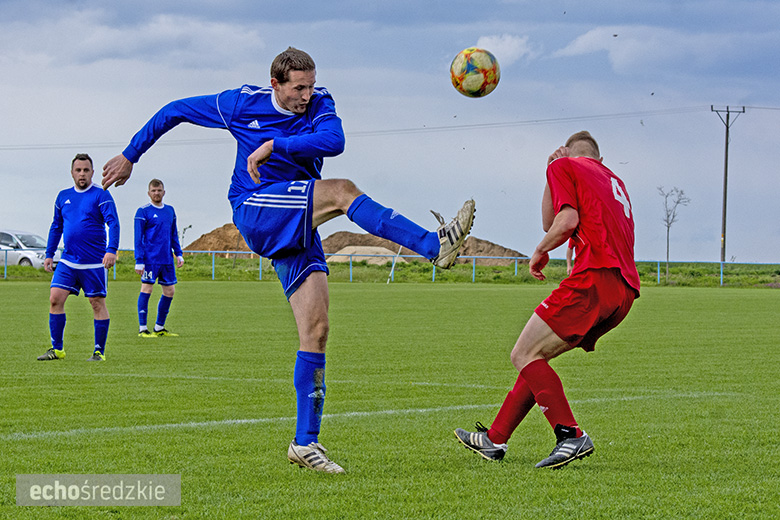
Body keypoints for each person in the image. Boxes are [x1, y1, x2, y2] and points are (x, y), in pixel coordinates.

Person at [101, 47, 475, 474]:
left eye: (310, 86)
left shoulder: (320, 102)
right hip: (256, 207)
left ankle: (305, 443)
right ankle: (433, 245)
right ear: (275, 84)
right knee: (342, 191)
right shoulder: (241, 104)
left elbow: (334, 141)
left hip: (297, 221)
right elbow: (175, 111)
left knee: (316, 330)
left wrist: (275, 144)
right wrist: (130, 155)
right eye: (298, 88)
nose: (306, 95)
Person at [455, 131, 640, 469]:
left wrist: (541, 250)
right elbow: (551, 220)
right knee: (535, 357)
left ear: (567, 153)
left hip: (594, 278)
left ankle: (570, 434)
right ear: (599, 159)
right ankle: (496, 438)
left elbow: (563, 222)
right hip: (624, 291)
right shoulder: (614, 180)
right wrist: (551, 174)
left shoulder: (566, 166)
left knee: (523, 353)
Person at [38, 153, 120, 362]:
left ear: (92, 172)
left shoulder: (101, 195)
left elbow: (113, 223)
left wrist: (111, 250)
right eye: (78, 170)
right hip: (68, 260)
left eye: (86, 170)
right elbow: (56, 226)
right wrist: (49, 254)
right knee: (55, 299)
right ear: (72, 172)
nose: (82, 174)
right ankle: (57, 350)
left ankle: (98, 352)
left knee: (96, 303)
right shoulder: (63, 196)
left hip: (94, 262)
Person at [135, 178, 184, 338]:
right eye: (153, 191)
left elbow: (173, 234)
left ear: (164, 192)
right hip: (150, 260)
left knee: (170, 291)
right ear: (148, 193)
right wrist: (139, 260)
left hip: (167, 259)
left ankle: (159, 327)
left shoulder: (170, 211)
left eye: (159, 190)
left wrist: (178, 253)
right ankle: (143, 329)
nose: (156, 193)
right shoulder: (143, 211)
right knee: (146, 289)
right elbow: (138, 238)